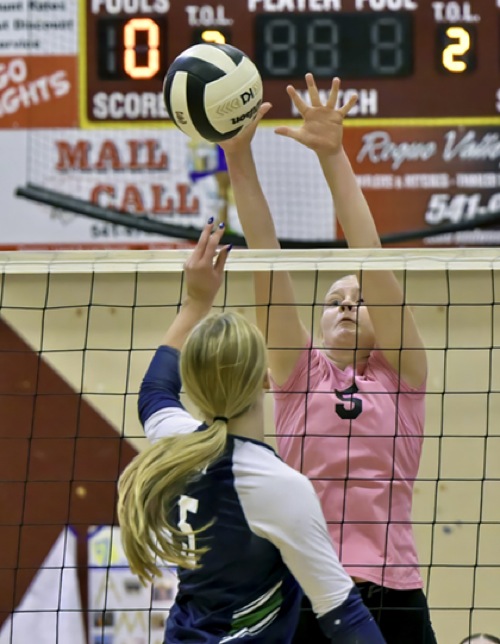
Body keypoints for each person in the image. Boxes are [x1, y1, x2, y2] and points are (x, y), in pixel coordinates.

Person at [219, 74, 437, 644]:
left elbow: (372, 257)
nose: (346, 305)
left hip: (393, 589)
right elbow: (265, 258)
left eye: (357, 299)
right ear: (317, 322)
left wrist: (333, 155)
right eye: (334, 300)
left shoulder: (403, 374)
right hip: (307, 588)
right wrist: (238, 155)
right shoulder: (298, 374)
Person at [117, 221, 386, 643]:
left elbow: (155, 390)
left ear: (195, 384)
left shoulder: (173, 444)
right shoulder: (277, 484)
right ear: (265, 379)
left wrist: (196, 302)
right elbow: (344, 616)